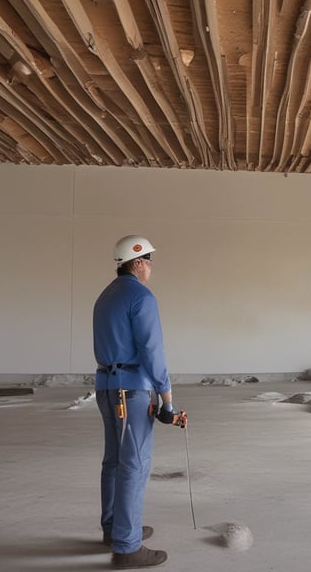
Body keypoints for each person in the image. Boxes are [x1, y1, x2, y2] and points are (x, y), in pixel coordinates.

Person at [93, 234, 181, 569]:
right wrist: (167, 398)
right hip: (131, 392)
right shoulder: (141, 296)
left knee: (114, 461)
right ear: (140, 262)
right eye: (151, 261)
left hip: (106, 388)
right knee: (134, 465)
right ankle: (127, 547)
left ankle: (114, 529)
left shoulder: (106, 296)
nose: (151, 268)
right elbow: (152, 351)